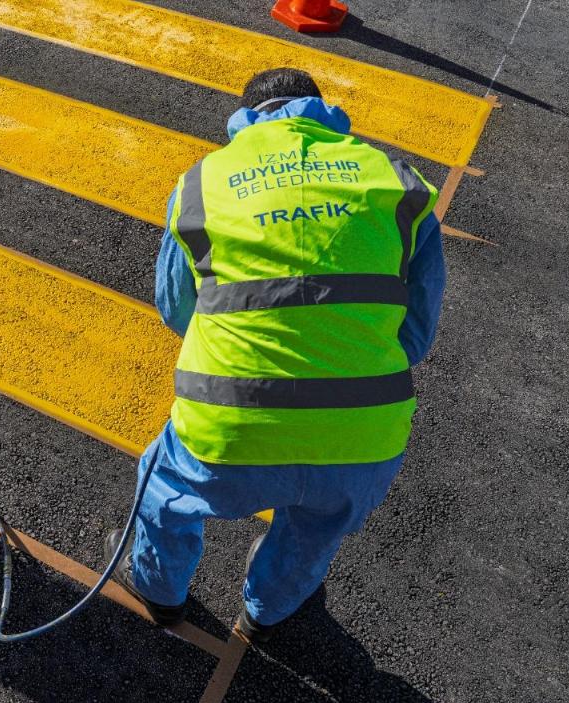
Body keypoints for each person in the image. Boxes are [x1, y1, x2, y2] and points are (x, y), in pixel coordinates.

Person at [105, 68, 446, 643]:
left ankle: (160, 593)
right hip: (364, 431)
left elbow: (176, 309)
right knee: (316, 531)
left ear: (244, 118)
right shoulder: (398, 182)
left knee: (166, 492)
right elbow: (416, 333)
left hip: (230, 421)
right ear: (322, 112)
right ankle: (265, 611)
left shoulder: (203, 182)